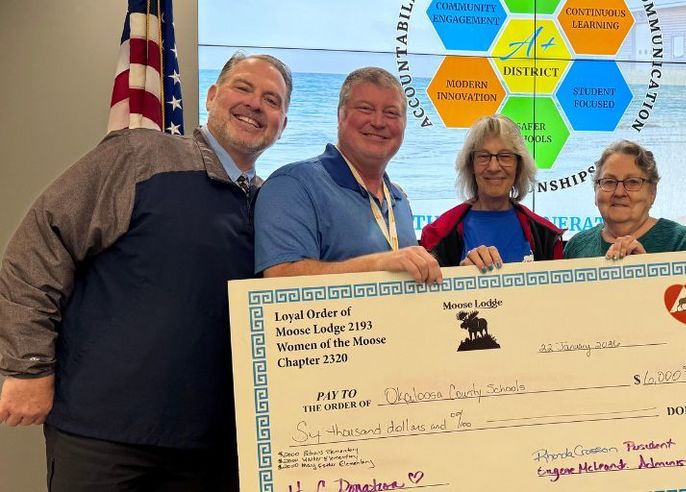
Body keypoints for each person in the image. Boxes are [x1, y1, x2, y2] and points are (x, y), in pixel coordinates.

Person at [0, 52, 292, 490]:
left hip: (214, 446)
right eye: (243, 88)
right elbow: (40, 247)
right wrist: (28, 367)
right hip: (104, 439)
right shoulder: (140, 156)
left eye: (272, 100)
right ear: (212, 96)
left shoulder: (273, 205)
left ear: (282, 125)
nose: (255, 105)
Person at [254, 67, 441, 283]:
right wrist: (379, 264)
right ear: (340, 115)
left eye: (391, 113)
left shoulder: (399, 200)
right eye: (365, 109)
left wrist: (471, 274)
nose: (378, 122)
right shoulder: (292, 186)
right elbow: (280, 280)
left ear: (404, 125)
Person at [420, 114, 565, 271]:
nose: (494, 167)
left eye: (505, 156)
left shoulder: (546, 236)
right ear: (471, 166)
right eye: (483, 156)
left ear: (519, 166)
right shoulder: (439, 236)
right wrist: (459, 276)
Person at [565, 140, 686, 259]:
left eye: (632, 182)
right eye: (609, 182)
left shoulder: (682, 243)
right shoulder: (576, 247)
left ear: (652, 192)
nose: (619, 192)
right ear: (596, 189)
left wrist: (645, 268)